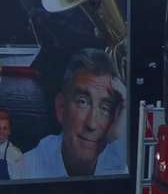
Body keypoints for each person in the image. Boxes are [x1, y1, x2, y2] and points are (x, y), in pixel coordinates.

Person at [23, 48, 127, 178]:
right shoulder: (24, 170)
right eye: (83, 102)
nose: (92, 124)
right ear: (61, 108)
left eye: (105, 108)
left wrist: (119, 138)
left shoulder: (119, 159)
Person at [0, 111, 25, 180]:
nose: (1, 132)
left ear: (9, 131)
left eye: (5, 128)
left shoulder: (15, 153)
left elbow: (19, 181)